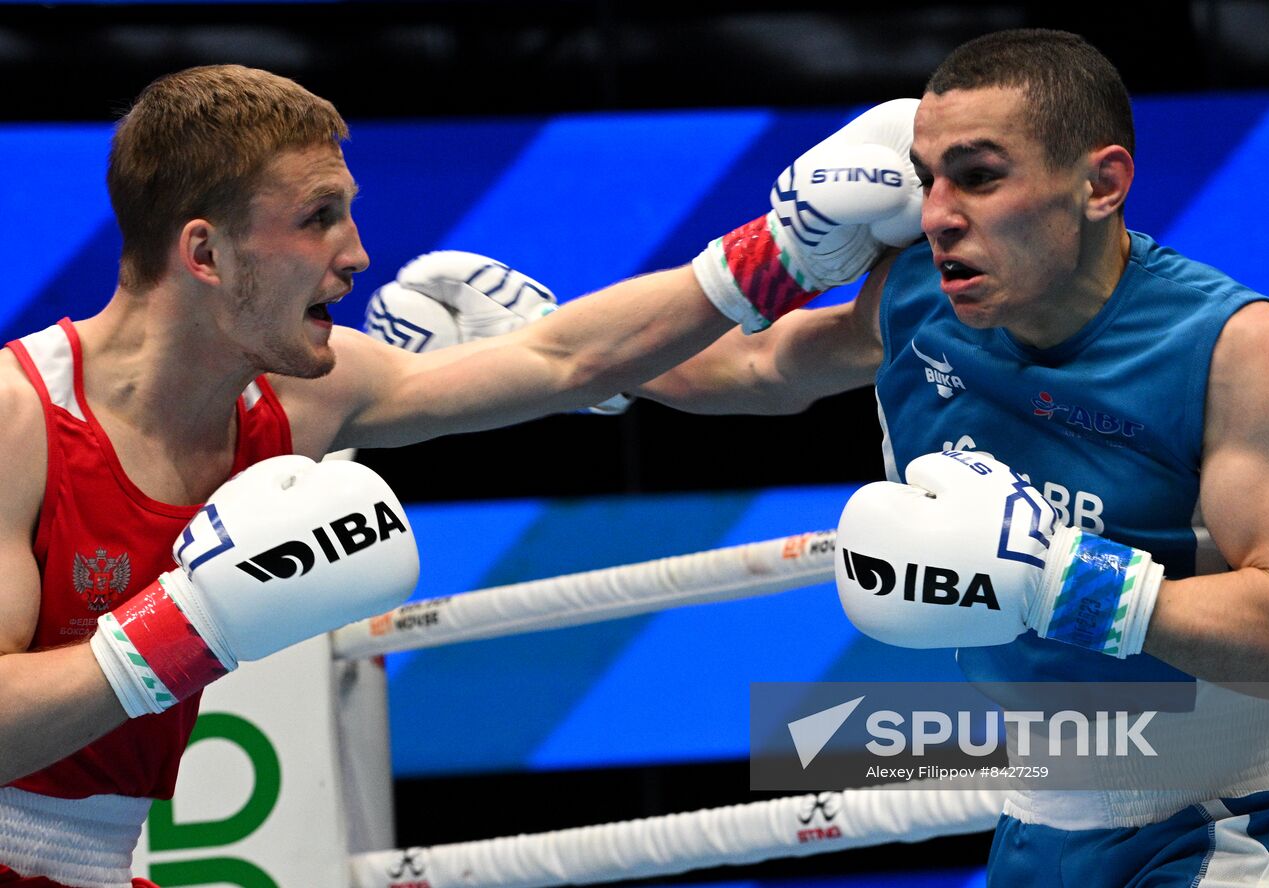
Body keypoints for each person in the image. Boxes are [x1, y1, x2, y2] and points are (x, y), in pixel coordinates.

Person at [0, 64, 909, 886]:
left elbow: (562, 361)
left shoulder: (303, 398)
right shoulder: (18, 417)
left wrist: (778, 247)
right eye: (317, 218)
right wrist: (194, 625)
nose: (355, 254)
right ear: (204, 255)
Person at [635, 28, 1269, 887]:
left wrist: (1061, 580)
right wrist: (578, 362)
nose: (937, 213)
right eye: (929, 177)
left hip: (1224, 824)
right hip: (1035, 823)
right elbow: (755, 365)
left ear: (1102, 183)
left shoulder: (1234, 350)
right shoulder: (918, 300)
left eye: (978, 177)